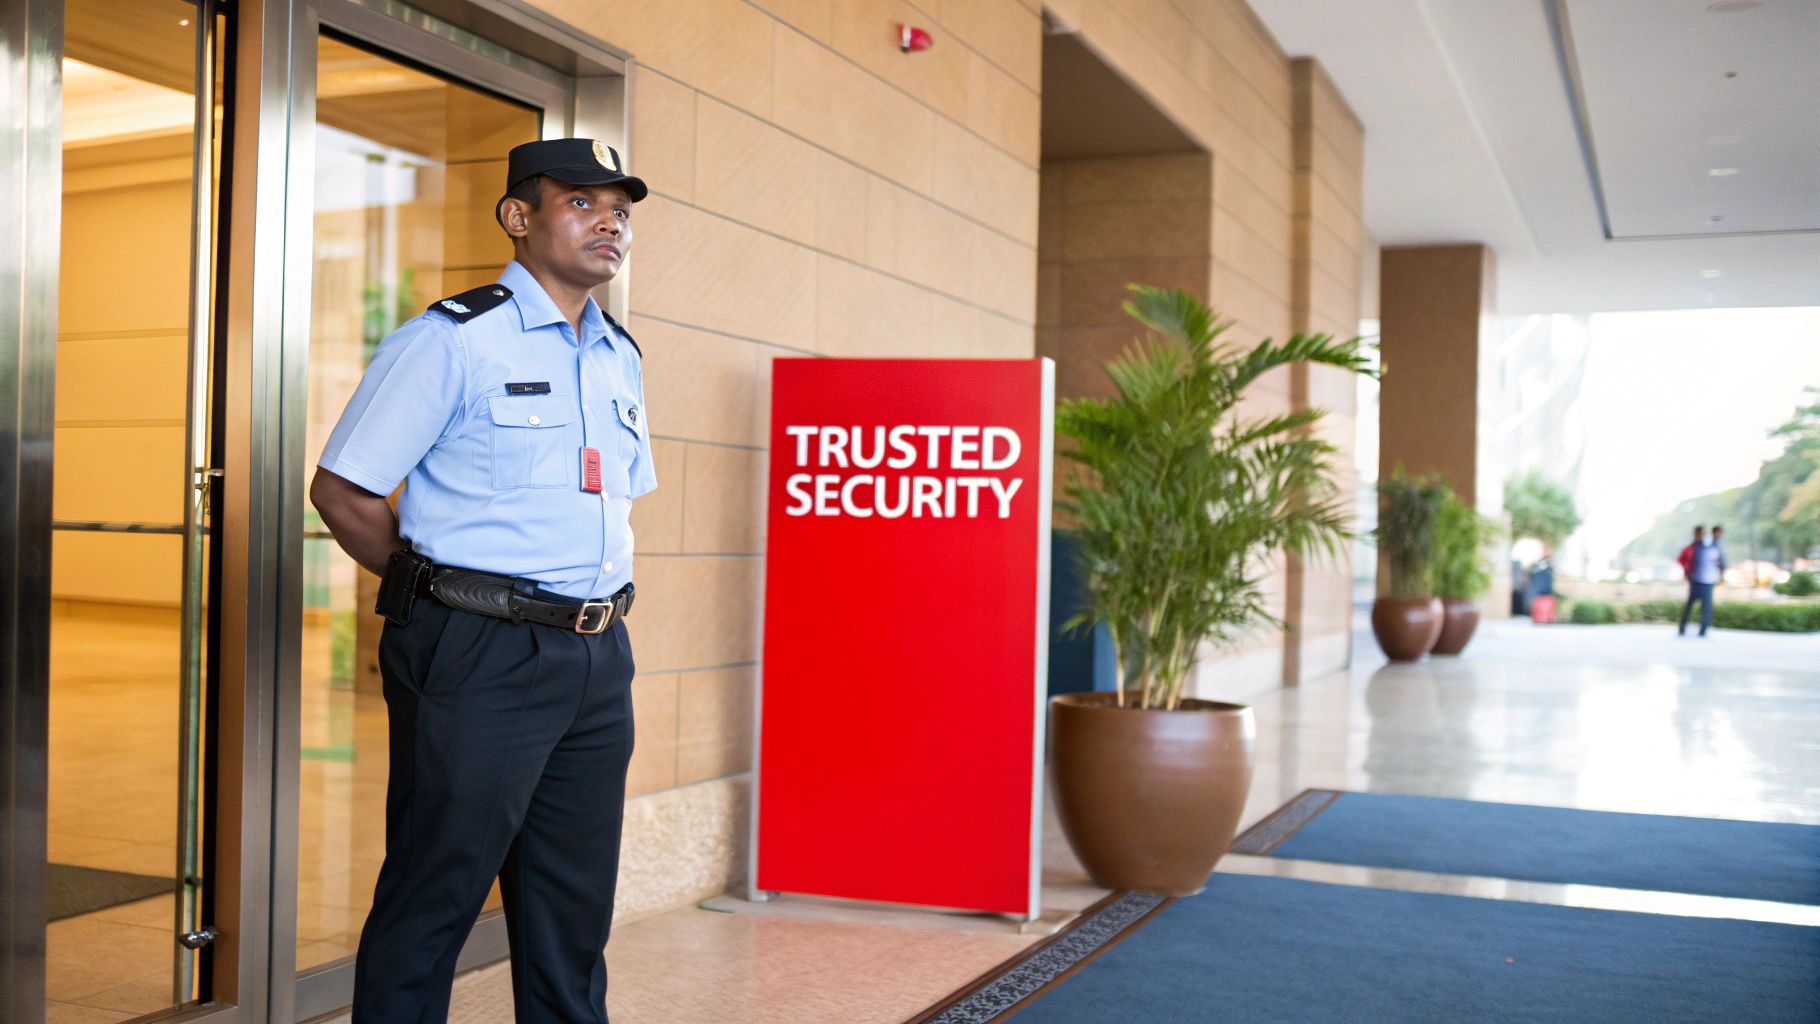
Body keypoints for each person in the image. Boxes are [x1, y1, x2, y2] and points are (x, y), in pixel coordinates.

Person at [310, 137, 653, 1023]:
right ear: (518, 217)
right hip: (477, 652)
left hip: (595, 654)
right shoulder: (452, 340)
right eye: (581, 202)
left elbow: (610, 504)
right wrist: (440, 594)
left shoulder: (620, 354)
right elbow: (344, 491)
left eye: (618, 207)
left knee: (572, 912)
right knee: (437, 894)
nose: (608, 220)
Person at [1677, 524, 1726, 637]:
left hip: (1708, 582)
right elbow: (1683, 559)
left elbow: (1721, 563)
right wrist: (1686, 572)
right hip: (1696, 580)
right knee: (1690, 605)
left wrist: (1721, 576)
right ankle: (1682, 627)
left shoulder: (1715, 548)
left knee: (1706, 607)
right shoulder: (1694, 548)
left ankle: (1703, 630)